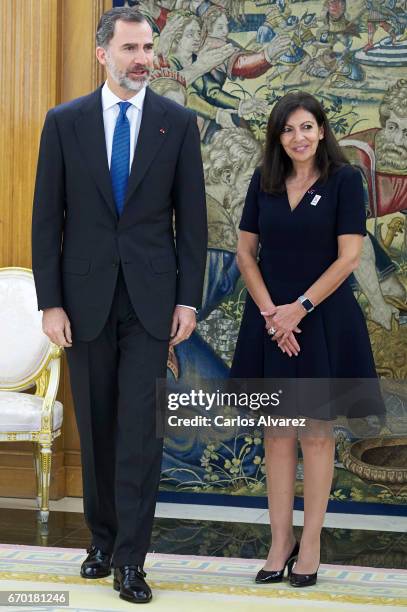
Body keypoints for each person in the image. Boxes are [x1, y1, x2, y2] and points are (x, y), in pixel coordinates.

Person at [31, 7, 207, 605]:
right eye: (131, 48)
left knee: (141, 435)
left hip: (153, 303)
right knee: (100, 427)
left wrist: (189, 299)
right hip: (83, 303)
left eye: (148, 47)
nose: (142, 59)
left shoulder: (178, 124)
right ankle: (101, 541)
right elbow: (45, 219)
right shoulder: (64, 121)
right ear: (102, 53)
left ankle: (132, 559)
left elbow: (194, 224)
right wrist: (49, 304)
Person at [230, 92, 383, 588]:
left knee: (316, 434)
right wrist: (274, 314)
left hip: (322, 320)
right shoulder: (265, 182)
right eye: (288, 129)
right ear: (278, 137)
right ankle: (280, 541)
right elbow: (245, 253)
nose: (299, 138)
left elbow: (348, 259)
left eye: (307, 128)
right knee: (277, 433)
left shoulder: (344, 180)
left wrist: (299, 309)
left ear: (321, 131)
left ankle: (312, 542)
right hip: (271, 321)